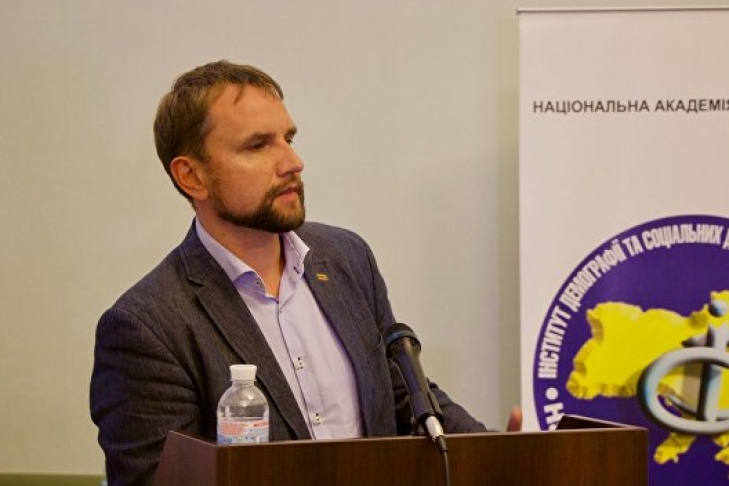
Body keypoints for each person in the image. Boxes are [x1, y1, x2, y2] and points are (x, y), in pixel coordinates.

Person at [90, 60, 521, 486]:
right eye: (258, 146)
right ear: (192, 176)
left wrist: (499, 456)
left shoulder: (347, 257)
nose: (292, 162)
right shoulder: (147, 327)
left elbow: (402, 396)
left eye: (289, 139)